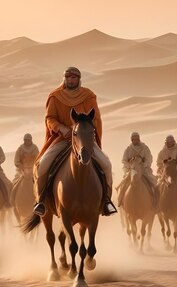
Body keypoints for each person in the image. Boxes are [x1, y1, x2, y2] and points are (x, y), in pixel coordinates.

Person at [32, 67, 117, 217]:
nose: (71, 80)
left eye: (74, 78)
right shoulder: (55, 96)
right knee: (43, 164)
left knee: (106, 164)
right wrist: (61, 128)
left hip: (83, 140)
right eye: (68, 77)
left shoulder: (88, 96)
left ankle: (106, 201)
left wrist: (84, 129)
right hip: (62, 139)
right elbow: (49, 118)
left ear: (79, 79)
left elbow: (95, 118)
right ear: (64, 78)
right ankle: (41, 201)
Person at [117, 132, 158, 209]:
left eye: (137, 138)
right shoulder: (128, 149)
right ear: (131, 140)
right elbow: (124, 160)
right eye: (134, 139)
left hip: (144, 170)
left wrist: (143, 165)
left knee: (154, 183)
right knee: (123, 184)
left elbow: (149, 158)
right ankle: (120, 200)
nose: (136, 140)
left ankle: (155, 202)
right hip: (132, 171)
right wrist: (131, 166)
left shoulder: (144, 148)